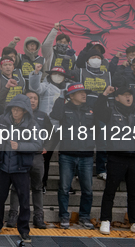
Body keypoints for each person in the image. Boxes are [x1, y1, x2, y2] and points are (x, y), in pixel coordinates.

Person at [94, 86, 135, 237]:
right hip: (116, 157)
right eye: (124, 95)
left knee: (134, 193)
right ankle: (105, 220)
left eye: (130, 95)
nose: (128, 97)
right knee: (110, 192)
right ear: (117, 97)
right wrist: (104, 94)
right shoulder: (110, 111)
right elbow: (97, 111)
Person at [0, 95, 41, 244]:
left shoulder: (32, 124)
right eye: (13, 109)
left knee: (24, 201)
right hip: (3, 167)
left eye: (18, 110)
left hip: (21, 169)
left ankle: (24, 230)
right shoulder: (2, 121)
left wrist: (20, 146)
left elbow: (37, 144)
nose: (15, 112)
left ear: (24, 111)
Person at [50, 83, 96, 229]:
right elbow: (55, 115)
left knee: (87, 188)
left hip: (86, 155)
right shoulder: (63, 108)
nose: (84, 95)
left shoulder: (90, 110)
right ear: (71, 96)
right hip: (67, 154)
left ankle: (84, 216)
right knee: (64, 187)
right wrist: (61, 98)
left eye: (84, 92)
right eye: (80, 92)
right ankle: (64, 216)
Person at [5, 91, 51, 230]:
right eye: (29, 98)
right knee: (15, 188)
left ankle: (38, 216)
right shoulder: (16, 115)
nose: (32, 100)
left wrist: (46, 147)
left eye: (35, 98)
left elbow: (51, 133)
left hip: (36, 157)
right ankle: (13, 214)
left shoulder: (43, 116)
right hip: (19, 156)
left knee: (37, 187)